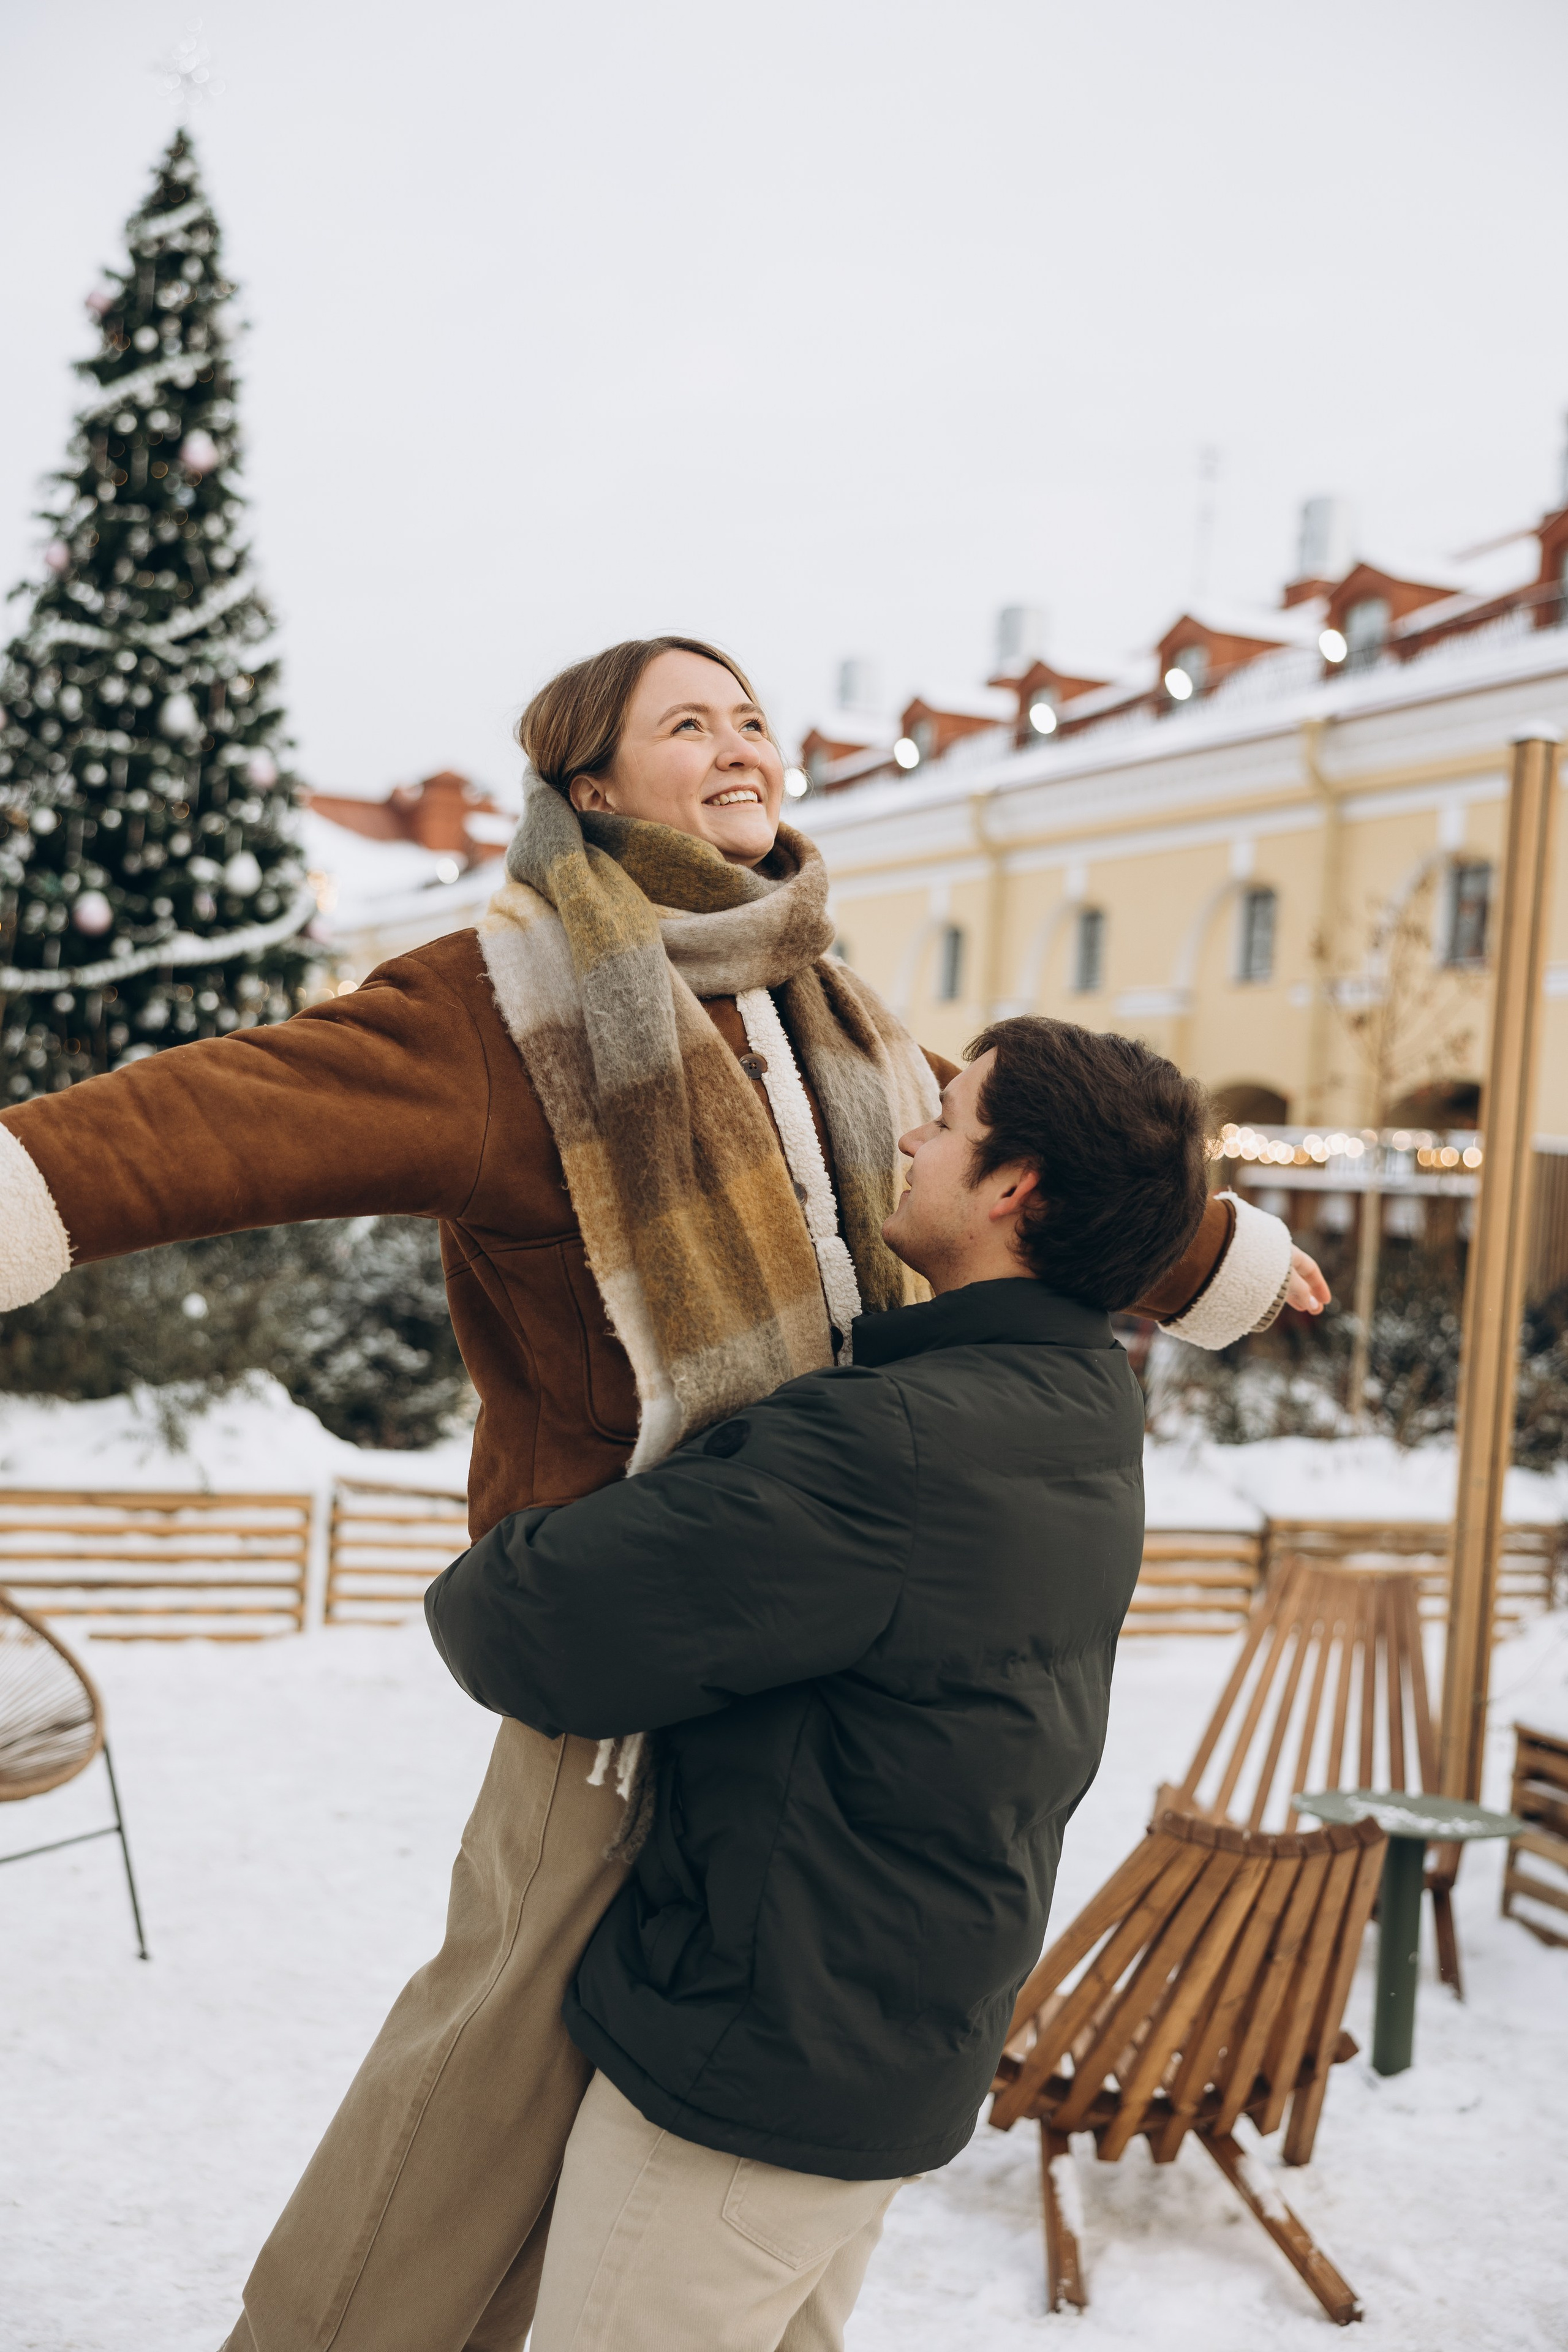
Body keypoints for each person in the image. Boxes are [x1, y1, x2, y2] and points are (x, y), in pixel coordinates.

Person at [0, 638, 1324, 2352]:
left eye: (754, 714)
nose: (741, 742)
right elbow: (231, 1114)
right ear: (593, 788)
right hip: (615, 1661)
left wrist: (1213, 1255)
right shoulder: (511, 1006)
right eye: (686, 722)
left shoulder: (825, 998)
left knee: (690, 2123)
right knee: (476, 2102)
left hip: (804, 1646)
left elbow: (1019, 1158)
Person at [424, 1014, 1210, 2351]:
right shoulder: (1077, 1400)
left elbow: (513, 1624)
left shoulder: (892, 1448)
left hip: (749, 2080)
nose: (910, 1133)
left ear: (1013, 1187)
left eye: (948, 1118)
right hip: (886, 2056)